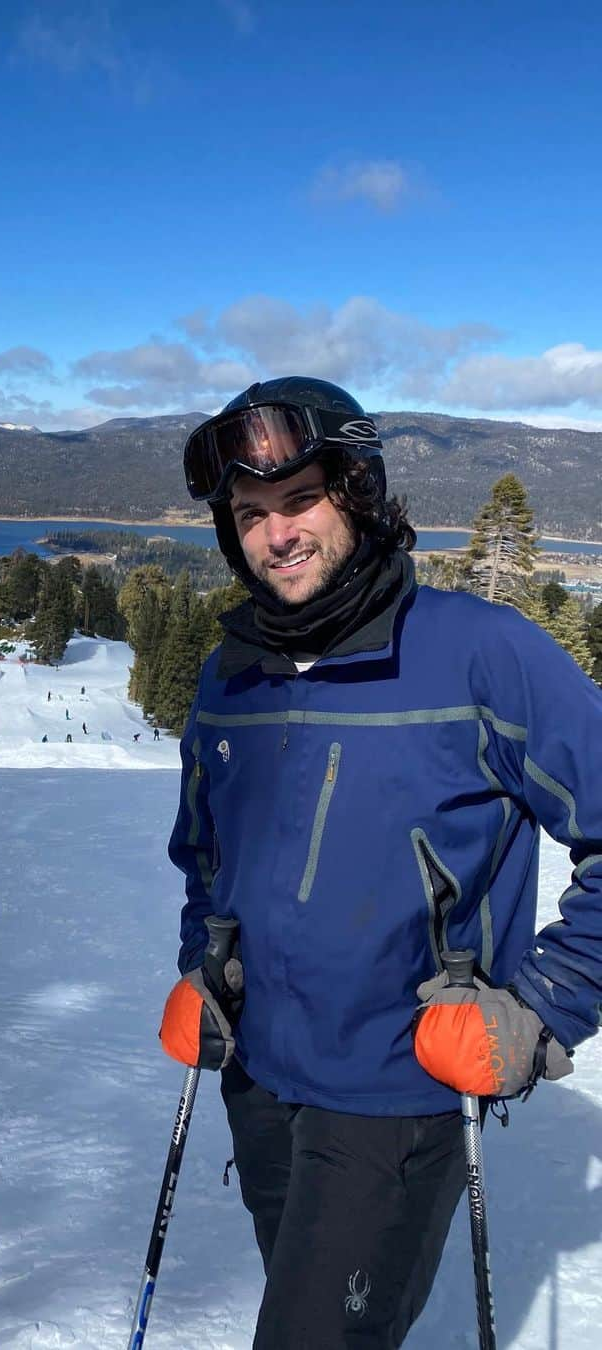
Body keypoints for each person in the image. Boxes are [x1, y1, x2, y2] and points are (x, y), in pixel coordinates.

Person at [159, 376, 601, 1349]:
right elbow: (206, 847)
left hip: (399, 1092)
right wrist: (209, 958)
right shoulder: (232, 671)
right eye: (249, 514)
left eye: (300, 500)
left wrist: (545, 1006)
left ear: (358, 490)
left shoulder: (481, 653)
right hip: (259, 1082)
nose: (276, 536)